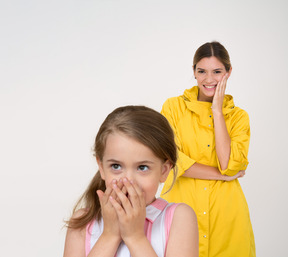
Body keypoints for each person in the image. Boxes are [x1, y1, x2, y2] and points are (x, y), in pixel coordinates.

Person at [160, 42, 256, 257]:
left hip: (227, 214)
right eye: (202, 71)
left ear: (229, 73)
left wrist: (217, 111)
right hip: (180, 207)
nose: (209, 79)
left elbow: (230, 165)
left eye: (217, 72)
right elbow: (172, 161)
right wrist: (221, 177)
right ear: (193, 72)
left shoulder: (239, 117)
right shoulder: (173, 108)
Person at [63, 106, 199, 257]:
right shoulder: (82, 222)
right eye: (116, 166)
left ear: (164, 171)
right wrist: (110, 235)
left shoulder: (178, 218)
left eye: (142, 167)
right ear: (101, 167)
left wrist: (135, 237)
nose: (128, 181)